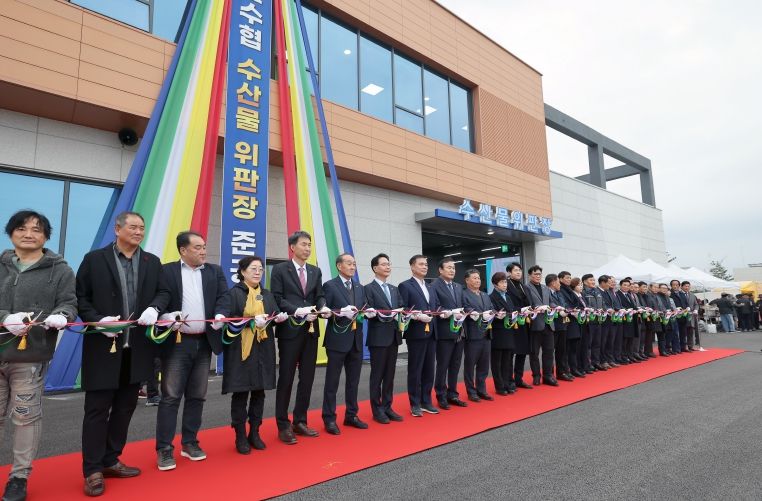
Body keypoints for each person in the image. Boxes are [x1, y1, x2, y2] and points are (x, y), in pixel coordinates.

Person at [76, 211, 169, 497]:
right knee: (97, 410)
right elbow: (81, 298)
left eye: (142, 228)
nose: (139, 232)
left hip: (137, 348)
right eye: (133, 227)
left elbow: (164, 292)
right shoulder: (94, 259)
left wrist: (155, 307)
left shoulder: (152, 262)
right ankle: (92, 469)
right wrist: (97, 321)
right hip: (103, 346)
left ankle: (111, 459)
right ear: (117, 229)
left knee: (126, 407)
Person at [0, 210, 77, 501]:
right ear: (11, 233)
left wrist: (62, 315)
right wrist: (5, 318)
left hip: (30, 357)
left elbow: (69, 303)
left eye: (36, 229)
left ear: (46, 236)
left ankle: (19, 477)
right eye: (21, 228)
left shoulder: (61, 270)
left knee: (25, 418)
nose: (28, 234)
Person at [154, 232, 228, 470]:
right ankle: (164, 449)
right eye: (197, 247)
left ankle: (190, 442)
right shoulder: (167, 271)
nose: (203, 251)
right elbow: (159, 299)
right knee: (171, 396)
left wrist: (220, 314)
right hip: (177, 342)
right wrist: (166, 316)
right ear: (183, 250)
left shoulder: (214, 271)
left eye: (204, 246)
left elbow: (224, 297)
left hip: (204, 341)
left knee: (197, 395)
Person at [214, 256, 286, 454]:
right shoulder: (234, 293)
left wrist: (278, 317)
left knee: (259, 392)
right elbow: (228, 319)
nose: (258, 272)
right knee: (241, 392)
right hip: (241, 349)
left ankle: (254, 432)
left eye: (261, 269)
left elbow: (274, 313)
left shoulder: (266, 294)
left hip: (263, 346)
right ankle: (239, 435)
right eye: (253, 268)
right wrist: (251, 321)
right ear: (242, 271)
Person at [269, 231, 330, 445]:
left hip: (311, 329)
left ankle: (300, 420)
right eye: (304, 244)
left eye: (309, 244)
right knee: (286, 377)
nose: (307, 248)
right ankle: (283, 424)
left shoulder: (315, 271)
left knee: (307, 377)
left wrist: (323, 307)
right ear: (292, 247)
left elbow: (319, 295)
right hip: (290, 331)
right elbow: (276, 298)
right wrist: (297, 310)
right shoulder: (280, 269)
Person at [321, 253, 368, 434]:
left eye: (354, 263)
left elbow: (363, 307)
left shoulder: (359, 287)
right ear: (339, 266)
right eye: (349, 263)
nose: (352, 266)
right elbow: (324, 311)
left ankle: (351, 415)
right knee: (332, 382)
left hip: (356, 340)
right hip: (337, 340)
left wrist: (368, 311)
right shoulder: (330, 285)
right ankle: (329, 418)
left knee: (353, 382)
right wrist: (340, 311)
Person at [364, 253, 404, 424]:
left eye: (389, 264)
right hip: (378, 338)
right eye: (384, 264)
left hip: (393, 336)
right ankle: (377, 410)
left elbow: (401, 306)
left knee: (389, 375)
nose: (388, 267)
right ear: (375, 268)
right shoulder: (368, 288)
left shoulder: (394, 289)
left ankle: (387, 407)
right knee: (377, 375)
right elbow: (368, 310)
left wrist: (402, 312)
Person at [398, 255, 438, 417]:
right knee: (415, 369)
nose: (425, 267)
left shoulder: (430, 286)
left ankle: (426, 401)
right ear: (412, 267)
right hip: (416, 332)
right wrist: (416, 315)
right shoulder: (405, 286)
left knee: (429, 368)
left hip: (432, 331)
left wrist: (442, 312)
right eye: (421, 264)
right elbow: (403, 308)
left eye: (426, 264)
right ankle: (415, 403)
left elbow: (435, 306)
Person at [431, 257, 468, 409]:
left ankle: (453, 394)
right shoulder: (434, 286)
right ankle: (441, 395)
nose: (452, 270)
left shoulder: (458, 286)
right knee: (443, 365)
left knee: (455, 365)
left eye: (453, 268)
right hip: (444, 332)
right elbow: (435, 306)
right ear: (440, 270)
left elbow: (463, 305)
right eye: (449, 267)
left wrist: (467, 311)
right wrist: (448, 312)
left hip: (459, 331)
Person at [462, 269, 494, 401]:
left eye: (479, 278)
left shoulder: (485, 295)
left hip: (486, 333)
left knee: (484, 365)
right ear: (467, 280)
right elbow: (465, 307)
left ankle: (482, 390)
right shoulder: (464, 294)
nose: (477, 280)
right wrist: (472, 312)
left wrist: (493, 312)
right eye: (474, 278)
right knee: (470, 365)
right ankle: (471, 391)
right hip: (472, 335)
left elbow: (491, 307)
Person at [526, 265, 557, 386]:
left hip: (548, 324)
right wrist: (537, 308)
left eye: (539, 274)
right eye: (535, 274)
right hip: (535, 324)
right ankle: (536, 376)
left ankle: (548, 376)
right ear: (530, 275)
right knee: (534, 353)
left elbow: (551, 301)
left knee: (549, 352)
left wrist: (554, 307)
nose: (538, 276)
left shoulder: (545, 288)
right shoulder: (526, 288)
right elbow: (527, 304)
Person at [505, 263, 533, 388]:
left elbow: (529, 302)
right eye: (515, 270)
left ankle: (518, 378)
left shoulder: (524, 286)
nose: (518, 272)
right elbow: (506, 304)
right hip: (512, 323)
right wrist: (520, 310)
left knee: (522, 352)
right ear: (509, 272)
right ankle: (509, 380)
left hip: (524, 322)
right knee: (510, 353)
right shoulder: (506, 285)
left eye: (520, 270)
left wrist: (531, 309)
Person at [489, 272, 515, 395]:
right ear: (495, 284)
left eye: (505, 282)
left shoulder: (508, 297)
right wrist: (496, 315)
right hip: (498, 332)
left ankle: (507, 384)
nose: (505, 284)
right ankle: (499, 386)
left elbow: (512, 310)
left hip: (508, 330)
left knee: (507, 361)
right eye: (502, 282)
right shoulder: (491, 297)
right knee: (497, 362)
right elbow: (491, 313)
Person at [547, 274, 572, 381]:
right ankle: (550, 374)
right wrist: (557, 308)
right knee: (550, 352)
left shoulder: (559, 293)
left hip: (562, 324)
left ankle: (561, 372)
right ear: (553, 283)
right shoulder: (546, 292)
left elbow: (564, 304)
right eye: (558, 282)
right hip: (552, 325)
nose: (560, 284)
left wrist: (566, 309)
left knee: (561, 350)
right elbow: (550, 304)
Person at [560, 275, 586, 378]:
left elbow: (578, 304)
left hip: (575, 320)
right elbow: (565, 305)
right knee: (567, 349)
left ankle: (573, 369)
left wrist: (580, 309)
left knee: (573, 348)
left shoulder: (570, 291)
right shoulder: (561, 290)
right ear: (560, 279)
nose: (569, 279)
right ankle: (567, 370)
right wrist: (572, 309)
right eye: (567, 277)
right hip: (568, 321)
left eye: (570, 277)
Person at [583, 274, 605, 371]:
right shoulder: (583, 292)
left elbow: (603, 303)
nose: (593, 282)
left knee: (597, 343)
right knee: (588, 344)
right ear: (585, 282)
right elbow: (584, 305)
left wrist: (603, 309)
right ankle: (588, 364)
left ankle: (596, 362)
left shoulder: (597, 291)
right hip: (589, 321)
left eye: (593, 280)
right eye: (591, 280)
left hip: (598, 320)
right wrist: (592, 309)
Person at [616, 279, 639, 363]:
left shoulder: (629, 295)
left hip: (632, 318)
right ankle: (623, 356)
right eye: (624, 285)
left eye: (628, 285)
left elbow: (633, 306)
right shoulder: (617, 294)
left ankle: (629, 355)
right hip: (623, 319)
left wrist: (637, 309)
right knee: (624, 340)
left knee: (630, 339)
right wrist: (626, 310)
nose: (626, 287)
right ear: (620, 285)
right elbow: (618, 306)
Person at [680, 281, 701, 350]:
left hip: (691, 316)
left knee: (690, 330)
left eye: (688, 286)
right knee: (683, 332)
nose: (687, 287)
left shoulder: (692, 295)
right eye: (685, 286)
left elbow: (696, 304)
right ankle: (683, 346)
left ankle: (690, 345)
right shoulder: (679, 294)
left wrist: (696, 310)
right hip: (682, 315)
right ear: (681, 286)